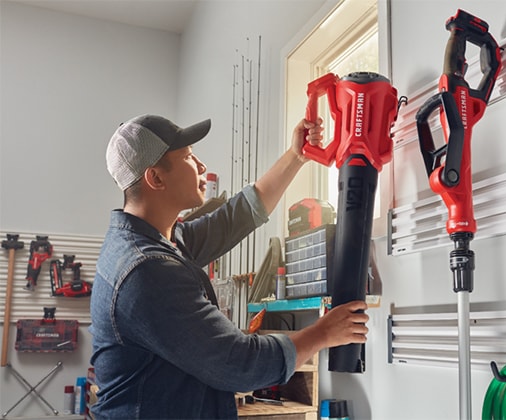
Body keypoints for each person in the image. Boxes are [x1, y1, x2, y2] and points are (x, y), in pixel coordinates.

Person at [89, 114, 369, 419]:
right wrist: (323, 333)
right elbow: (240, 364)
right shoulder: (146, 270)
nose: (201, 166)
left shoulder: (159, 239)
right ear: (156, 178)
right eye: (188, 157)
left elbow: (234, 218)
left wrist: (295, 156)